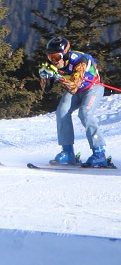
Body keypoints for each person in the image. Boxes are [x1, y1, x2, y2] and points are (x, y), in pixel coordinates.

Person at [38, 36, 112, 168]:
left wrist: (57, 76)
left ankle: (99, 153)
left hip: (92, 88)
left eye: (56, 57)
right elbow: (46, 89)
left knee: (85, 113)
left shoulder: (80, 61)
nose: (53, 61)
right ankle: (68, 152)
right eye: (50, 57)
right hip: (75, 92)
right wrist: (45, 78)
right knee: (61, 112)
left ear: (65, 54)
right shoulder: (54, 64)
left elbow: (74, 85)